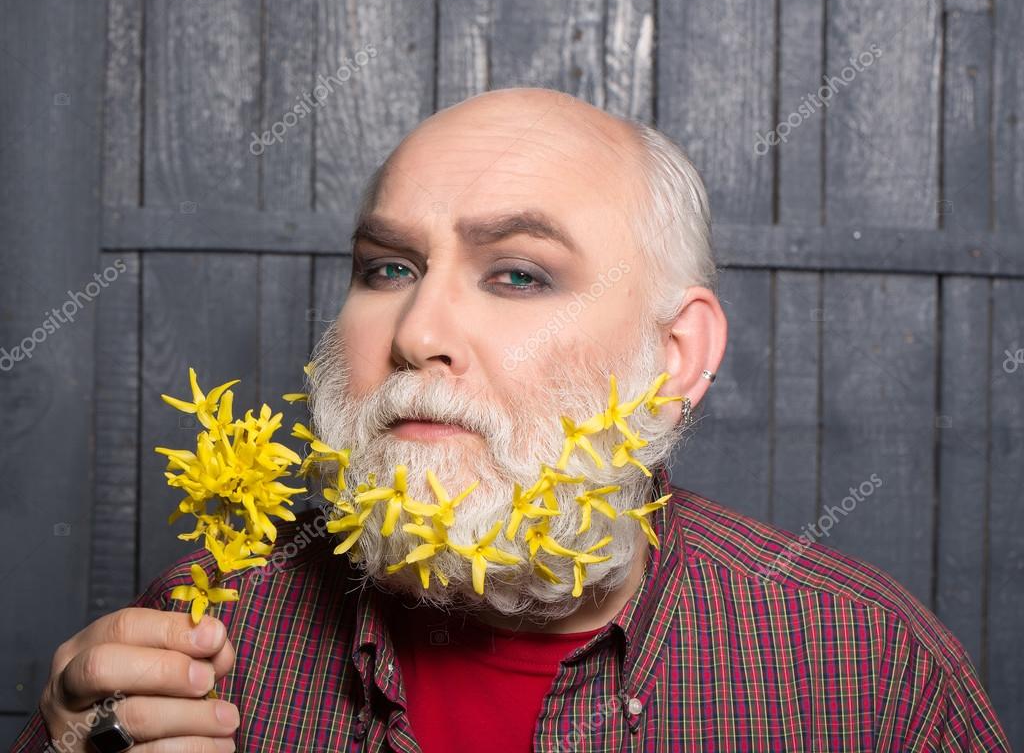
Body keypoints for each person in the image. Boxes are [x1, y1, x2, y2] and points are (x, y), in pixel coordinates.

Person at [12, 87, 1009, 752]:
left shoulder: (865, 668)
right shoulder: (209, 615)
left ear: (676, 358)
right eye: (388, 269)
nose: (417, 331)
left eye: (518, 273)